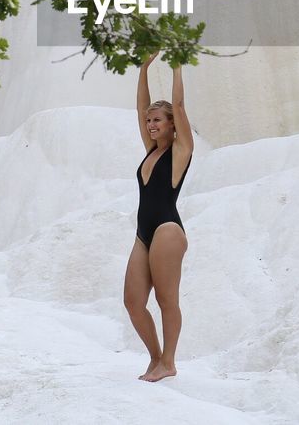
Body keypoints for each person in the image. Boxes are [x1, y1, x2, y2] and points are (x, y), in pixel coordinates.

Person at [124, 53, 194, 382]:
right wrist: (143, 68)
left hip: (167, 230)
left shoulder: (180, 152)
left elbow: (179, 106)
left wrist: (178, 63)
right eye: (150, 121)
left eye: (158, 121)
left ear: (171, 125)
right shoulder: (150, 151)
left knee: (167, 300)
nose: (151, 125)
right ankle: (155, 358)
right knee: (133, 302)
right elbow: (140, 108)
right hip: (144, 233)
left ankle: (169, 361)